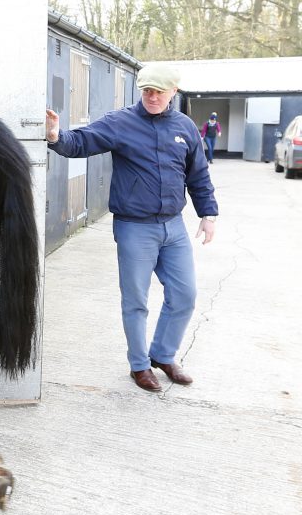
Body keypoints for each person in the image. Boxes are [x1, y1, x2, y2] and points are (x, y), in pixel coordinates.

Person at [45, 63, 218, 392]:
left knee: (184, 296)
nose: (152, 97)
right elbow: (82, 142)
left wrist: (208, 214)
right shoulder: (120, 123)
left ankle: (163, 356)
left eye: (159, 92)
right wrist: (56, 136)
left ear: (173, 93)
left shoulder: (185, 127)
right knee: (136, 300)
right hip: (135, 229)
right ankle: (139, 366)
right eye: (147, 91)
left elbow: (198, 175)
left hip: (174, 228)